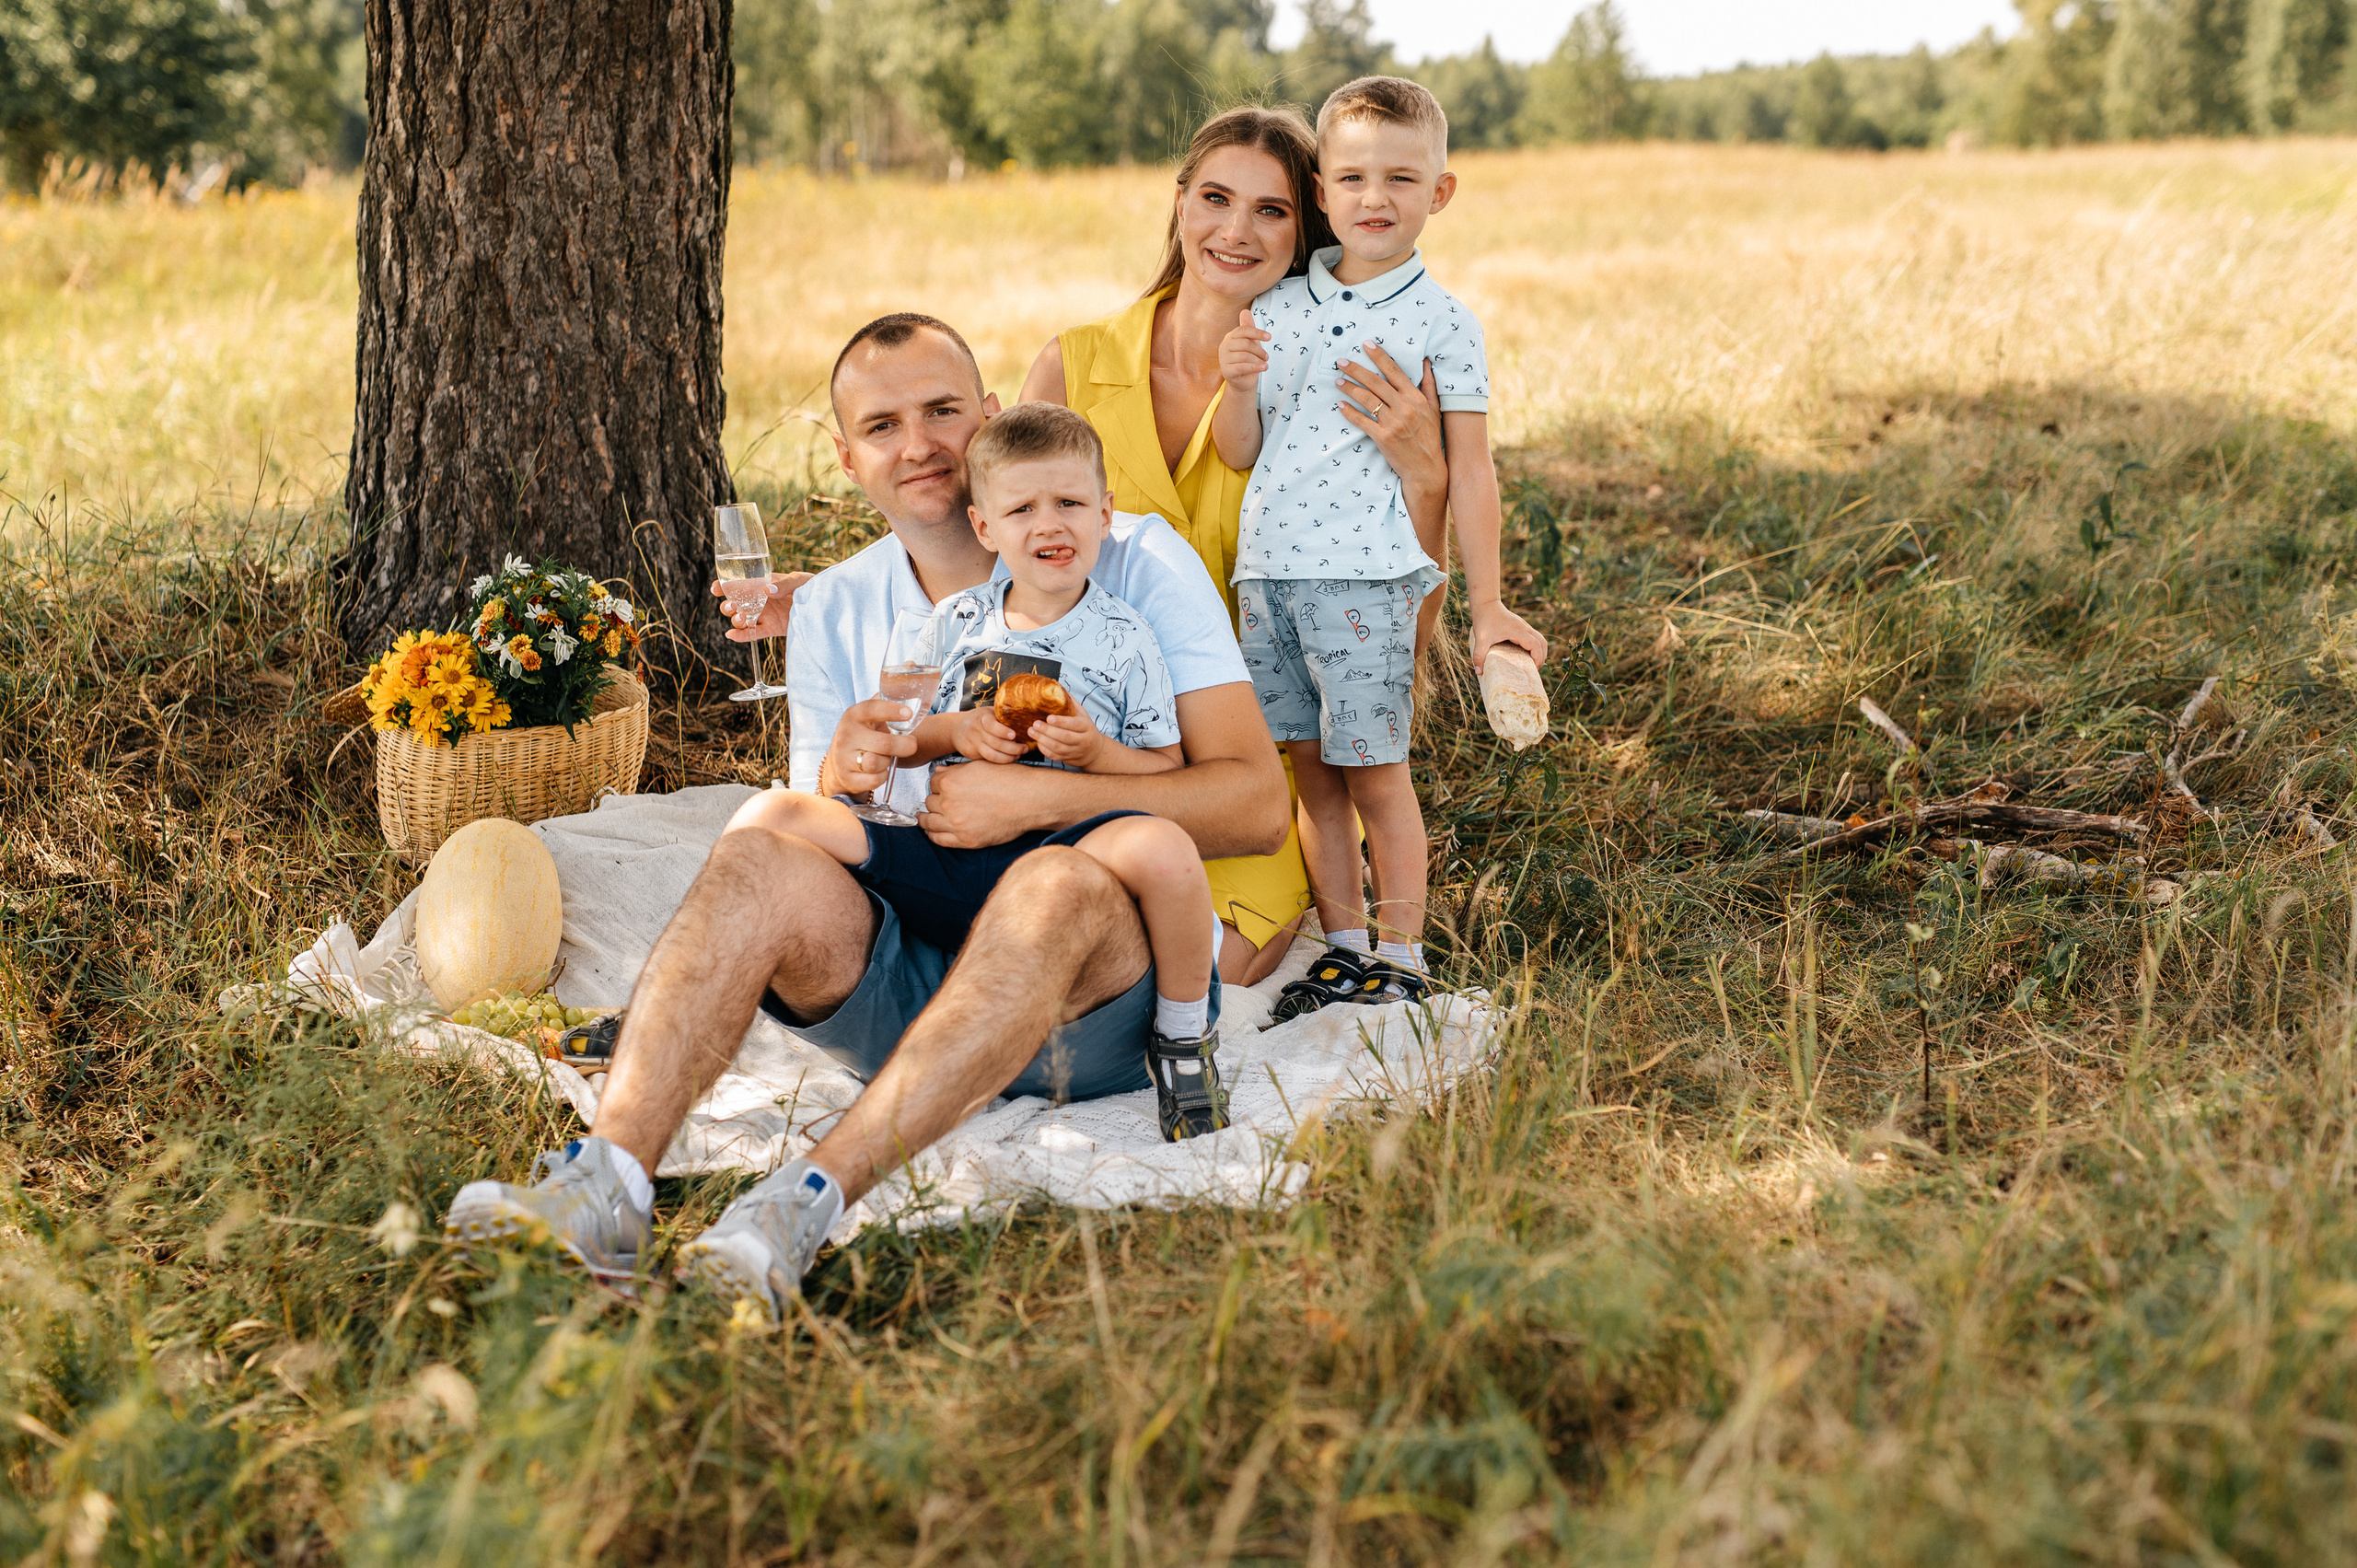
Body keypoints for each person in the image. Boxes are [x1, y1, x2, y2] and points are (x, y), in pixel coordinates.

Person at [441, 315, 1287, 1315]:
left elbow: (1255, 806)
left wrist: (1052, 793)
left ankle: (799, 1202)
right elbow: (830, 850)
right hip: (908, 969)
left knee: (1053, 881)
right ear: (849, 459)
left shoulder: (1129, 560)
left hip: (1083, 1001)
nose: (918, 444)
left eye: (942, 410)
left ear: (991, 417)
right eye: (883, 425)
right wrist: (844, 771)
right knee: (762, 849)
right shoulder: (837, 606)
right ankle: (607, 1181)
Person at [1017, 104, 1457, 987]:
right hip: (1087, 730)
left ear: (1308, 228)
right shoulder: (1074, 366)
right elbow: (1002, 545)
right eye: (1216, 198)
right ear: (1180, 202)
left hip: (1252, 754)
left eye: (1271, 210)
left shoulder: (1338, 382)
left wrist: (1427, 478)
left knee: (1210, 960)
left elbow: (1402, 625)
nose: (1235, 231)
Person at [729, 402, 1230, 1142]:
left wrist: (1095, 753)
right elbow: (911, 739)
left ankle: (1185, 1040)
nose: (1048, 524)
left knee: (1168, 851)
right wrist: (953, 731)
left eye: (1069, 503)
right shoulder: (959, 621)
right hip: (953, 850)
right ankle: (712, 985)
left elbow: (1164, 768)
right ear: (985, 527)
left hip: (1069, 859)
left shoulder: (1128, 638)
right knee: (774, 814)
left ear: (1104, 515)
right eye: (1022, 509)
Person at [1212, 76, 1547, 1015]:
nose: (1375, 198)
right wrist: (1234, 385)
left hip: (1364, 582)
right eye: (1353, 178)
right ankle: (1345, 945)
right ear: (1321, 191)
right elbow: (1240, 451)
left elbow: (1470, 470)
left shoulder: (1443, 321)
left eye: (1401, 179)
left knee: (1376, 773)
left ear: (1440, 192)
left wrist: (1488, 603)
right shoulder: (1275, 306)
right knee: (1311, 775)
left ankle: (1402, 952)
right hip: (1267, 578)